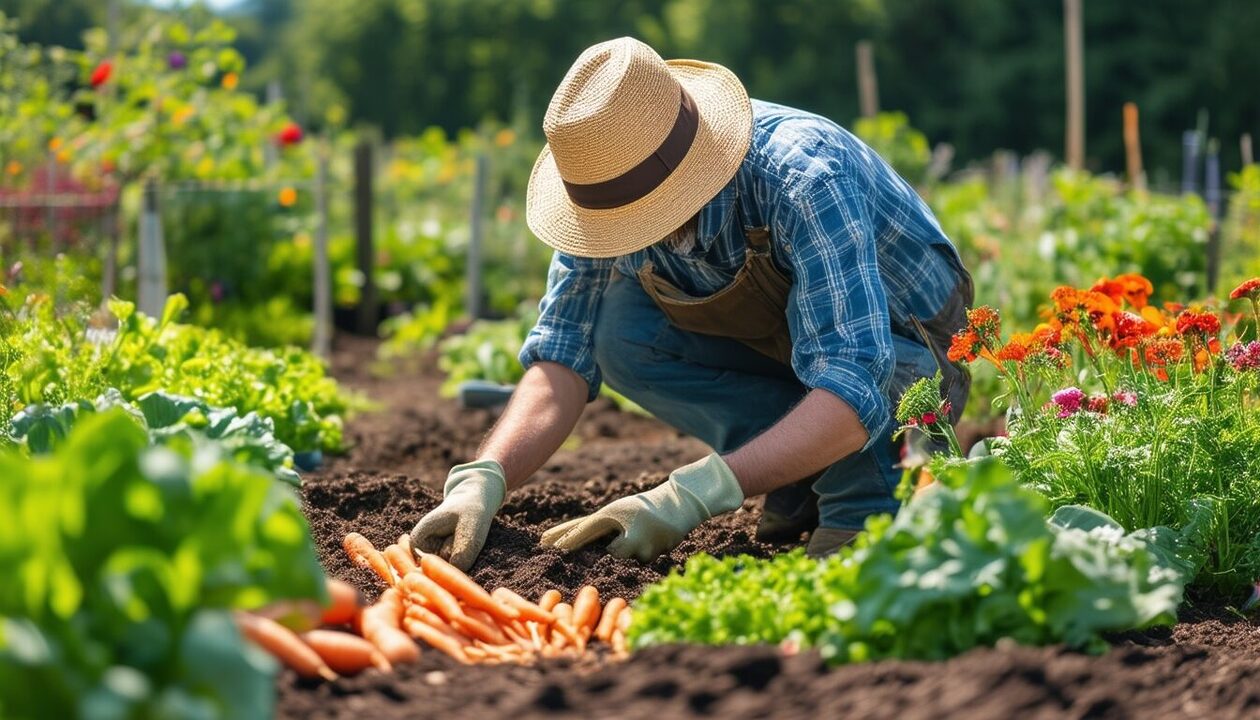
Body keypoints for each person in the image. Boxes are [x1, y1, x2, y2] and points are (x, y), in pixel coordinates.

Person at [409, 37, 972, 570]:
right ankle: (799, 471)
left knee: (848, 554)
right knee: (619, 333)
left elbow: (855, 376)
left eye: (639, 217)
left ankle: (863, 494)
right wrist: (484, 479)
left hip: (909, 352)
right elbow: (564, 353)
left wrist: (692, 494)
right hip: (789, 347)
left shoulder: (802, 177)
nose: (625, 234)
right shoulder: (607, 185)